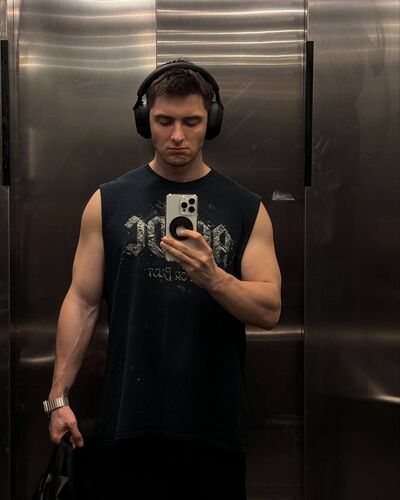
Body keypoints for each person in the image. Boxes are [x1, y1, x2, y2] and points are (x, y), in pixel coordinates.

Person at [45, 60, 281, 499]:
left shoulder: (246, 208)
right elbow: (82, 301)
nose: (177, 135)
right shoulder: (108, 202)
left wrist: (214, 278)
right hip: (129, 419)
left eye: (191, 122)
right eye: (164, 121)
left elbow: (269, 311)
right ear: (144, 121)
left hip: (214, 425)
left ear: (211, 122)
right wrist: (58, 398)